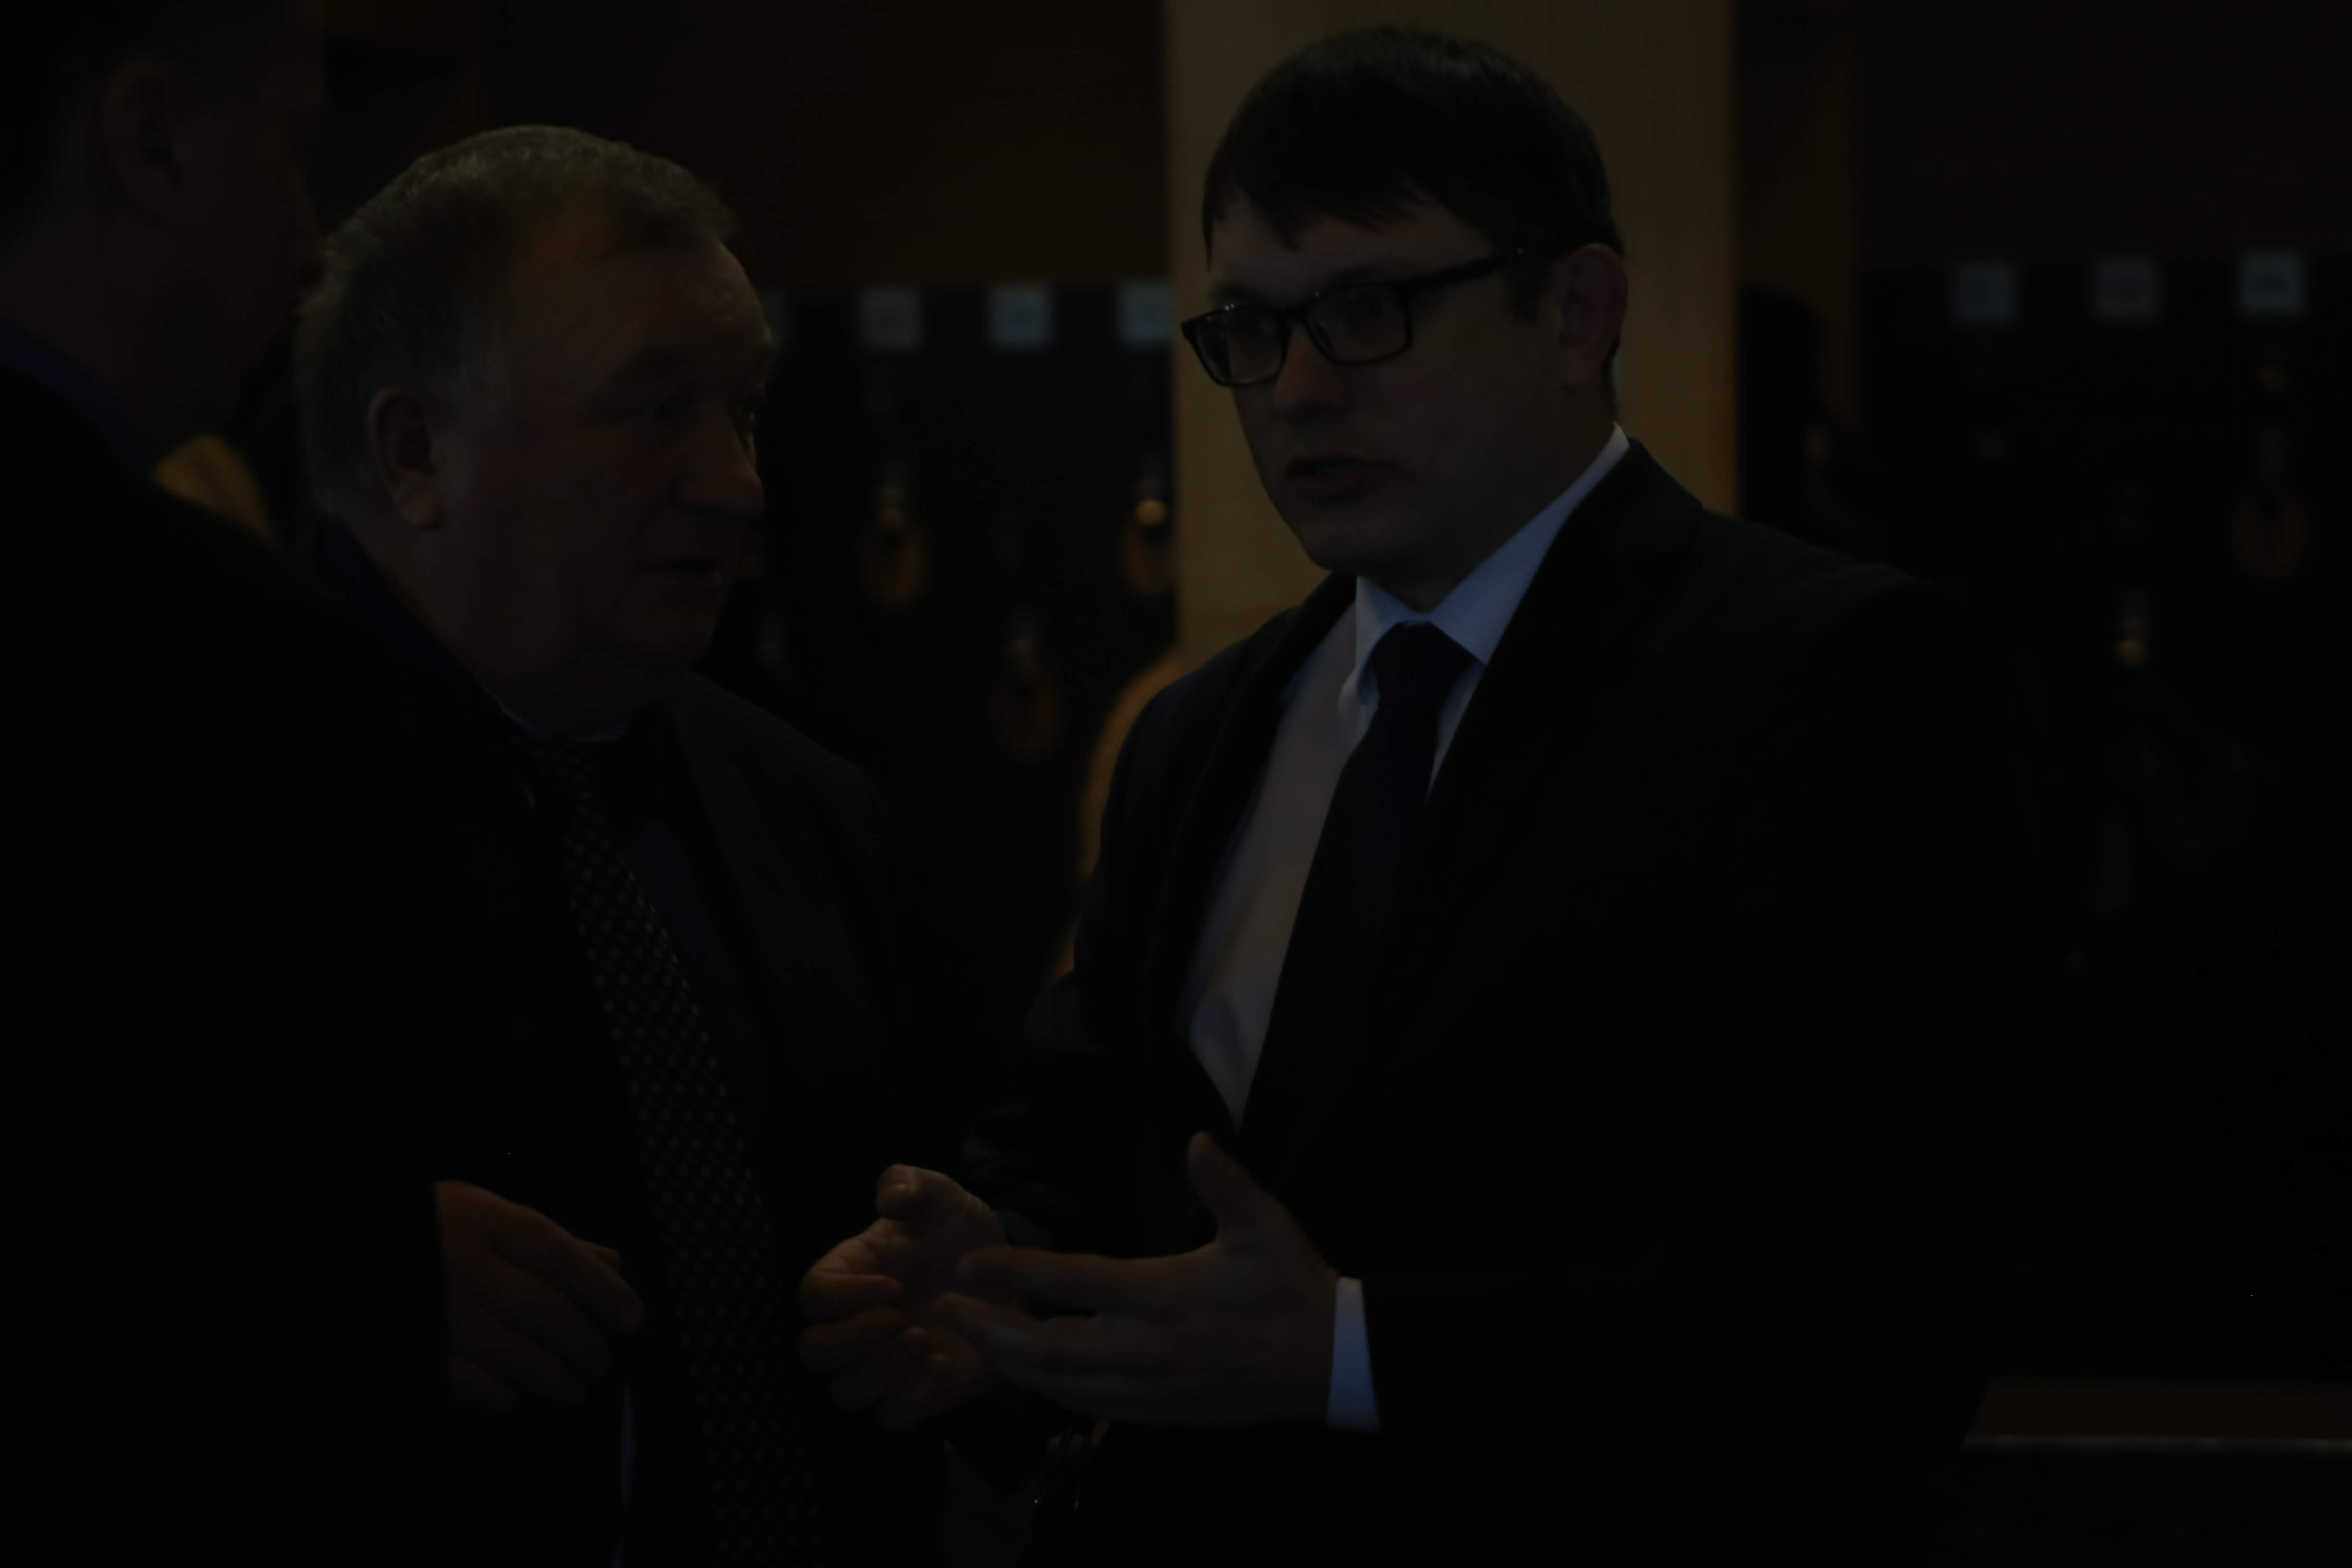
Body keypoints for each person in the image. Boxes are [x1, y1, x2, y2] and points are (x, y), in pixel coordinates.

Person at [799, 26, 2053, 1561]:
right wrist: (988, 1276)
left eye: (1366, 312)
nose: (1296, 389)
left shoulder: (1826, 678)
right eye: (1251, 327)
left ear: (1575, 311)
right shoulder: (1202, 732)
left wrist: (1345, 1351)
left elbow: (1873, 1320)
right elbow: (1085, 1148)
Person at [291, 124, 934, 1565]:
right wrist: (315, 1266)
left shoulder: (809, 813)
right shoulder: (182, 791)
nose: (736, 484)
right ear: (415, 452)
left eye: (744, 412)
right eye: (656, 413)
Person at [0, 3, 447, 1559]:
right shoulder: (221, 660)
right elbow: (285, 1350)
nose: (315, 238)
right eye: (297, 143)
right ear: (152, 139)